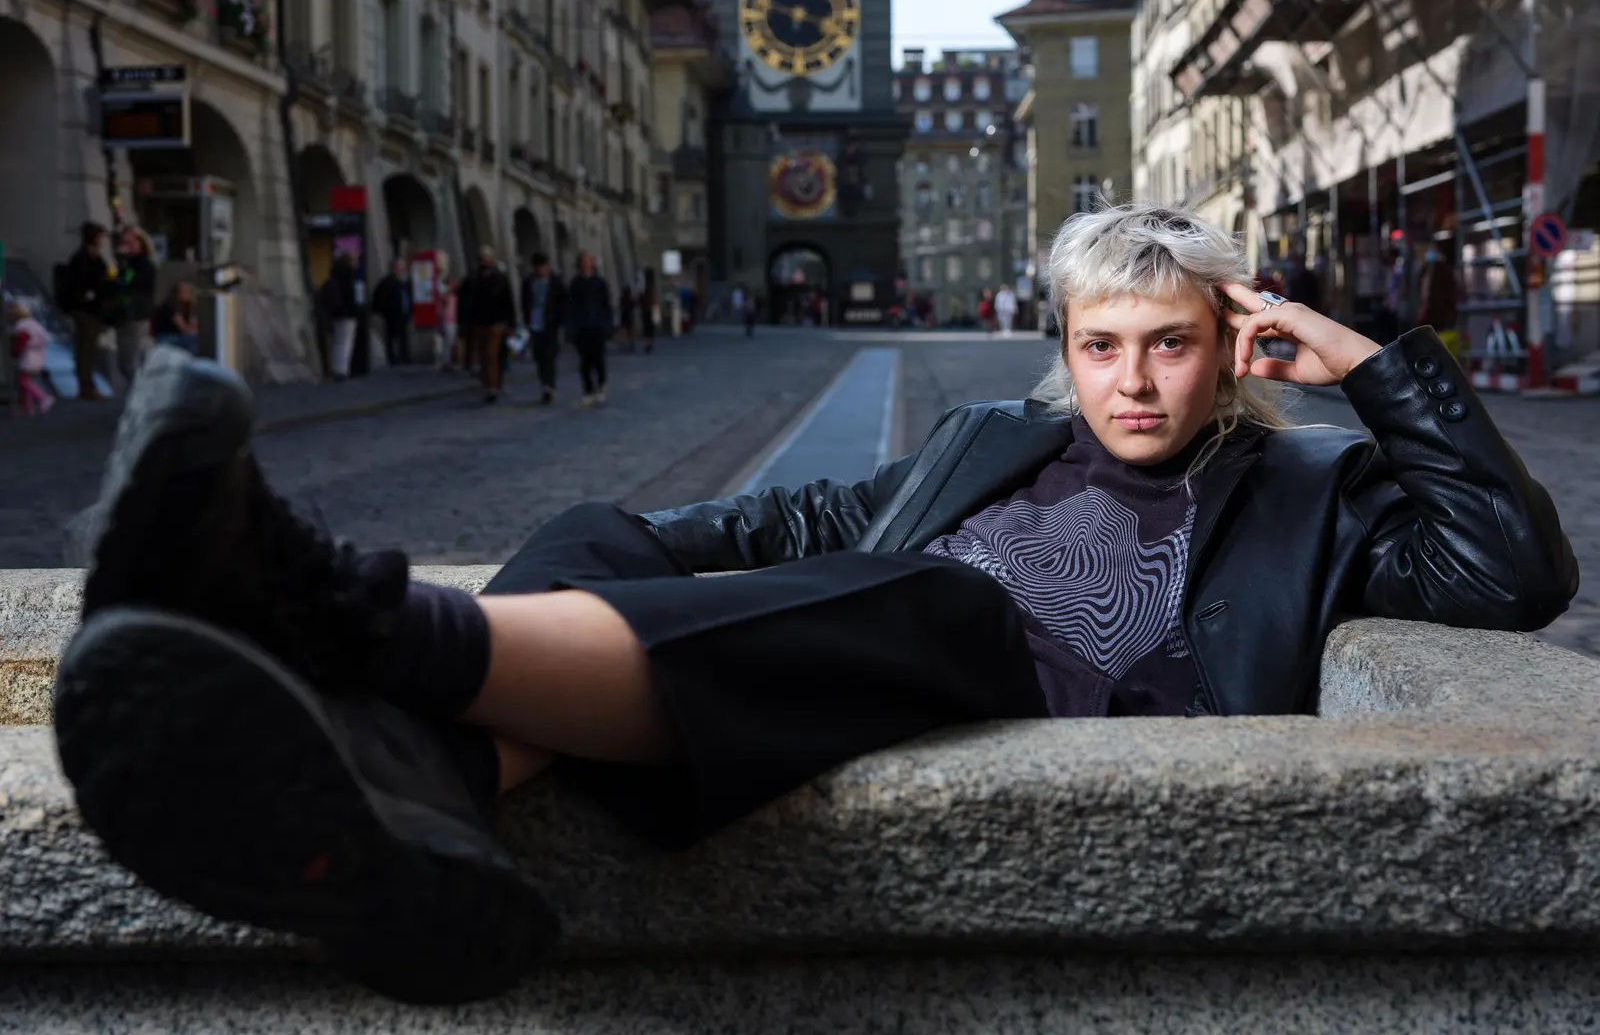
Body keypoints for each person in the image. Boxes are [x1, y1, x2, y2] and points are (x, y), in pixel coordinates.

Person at [52, 204, 1576, 1005]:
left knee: (933, 605)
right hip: (849, 633)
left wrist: (1371, 366)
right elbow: (799, 515)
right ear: (1064, 343)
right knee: (608, 529)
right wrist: (634, 539)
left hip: (983, 677)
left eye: (1171, 345)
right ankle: (425, 808)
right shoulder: (1002, 441)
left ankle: (338, 615)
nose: (1132, 379)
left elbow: (1512, 569)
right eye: (1102, 344)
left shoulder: (1313, 493)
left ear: (1231, 350)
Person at [60, 221, 114, 400]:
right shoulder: (82, 259)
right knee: (86, 347)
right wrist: (90, 296)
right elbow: (83, 285)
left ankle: (87, 383)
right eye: (100, 237)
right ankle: (86, 385)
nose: (103, 241)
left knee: (89, 348)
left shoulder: (94, 258)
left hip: (93, 309)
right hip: (85, 310)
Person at [458, 245, 515, 403]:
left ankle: (493, 387)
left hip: (496, 323)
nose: (484, 259)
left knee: (492, 354)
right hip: (478, 322)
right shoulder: (472, 278)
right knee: (483, 356)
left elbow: (508, 301)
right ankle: (488, 385)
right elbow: (463, 303)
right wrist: (463, 323)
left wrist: (510, 323)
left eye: (487, 256)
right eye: (482, 257)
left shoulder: (499, 278)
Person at [110, 228, 158, 388]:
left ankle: (142, 394)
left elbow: (131, 283)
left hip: (136, 315)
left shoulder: (143, 264)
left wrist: (124, 263)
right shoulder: (130, 264)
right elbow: (119, 283)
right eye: (124, 243)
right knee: (125, 361)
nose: (126, 247)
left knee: (131, 362)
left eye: (130, 243)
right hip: (125, 315)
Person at [567, 251, 612, 407]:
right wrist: (571, 327)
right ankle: (588, 390)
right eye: (583, 262)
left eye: (588, 261)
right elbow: (571, 306)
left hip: (597, 325)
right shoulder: (575, 283)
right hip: (582, 326)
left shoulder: (599, 282)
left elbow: (606, 305)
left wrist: (607, 325)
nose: (586, 264)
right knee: (584, 361)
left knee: (598, 358)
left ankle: (601, 385)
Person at [520, 254, 567, 405]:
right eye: (538, 267)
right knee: (539, 356)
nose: (541, 270)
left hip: (551, 324)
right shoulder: (529, 282)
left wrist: (561, 320)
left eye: (543, 267)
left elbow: (563, 301)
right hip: (535, 323)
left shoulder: (555, 281)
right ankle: (544, 385)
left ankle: (550, 386)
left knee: (550, 356)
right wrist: (526, 319)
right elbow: (525, 301)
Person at [6, 299, 54, 415]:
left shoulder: (21, 326)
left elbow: (22, 340)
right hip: (38, 355)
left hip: (28, 356)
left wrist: (15, 352)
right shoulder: (34, 324)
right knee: (29, 381)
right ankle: (28, 406)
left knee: (24, 381)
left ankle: (43, 397)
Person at [1417, 239, 1460, 360]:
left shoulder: (1443, 270)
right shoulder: (1425, 270)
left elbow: (1450, 293)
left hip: (1439, 312)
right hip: (1430, 313)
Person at [321, 252, 360, 380]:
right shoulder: (349, 276)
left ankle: (337, 369)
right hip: (347, 313)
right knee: (345, 342)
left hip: (335, 313)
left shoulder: (335, 275)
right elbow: (350, 296)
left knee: (338, 342)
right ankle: (342, 370)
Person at [372, 260, 413, 367]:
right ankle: (393, 358)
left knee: (403, 336)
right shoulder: (387, 283)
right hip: (392, 314)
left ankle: (404, 356)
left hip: (403, 313)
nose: (402, 269)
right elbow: (379, 299)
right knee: (391, 336)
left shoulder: (403, 282)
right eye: (400, 267)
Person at [149, 281, 200, 354]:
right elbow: (184, 328)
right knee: (192, 341)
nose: (187, 293)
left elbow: (194, 328)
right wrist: (192, 331)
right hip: (165, 337)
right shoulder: (169, 307)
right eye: (184, 291)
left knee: (195, 339)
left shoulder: (188, 307)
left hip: (179, 336)